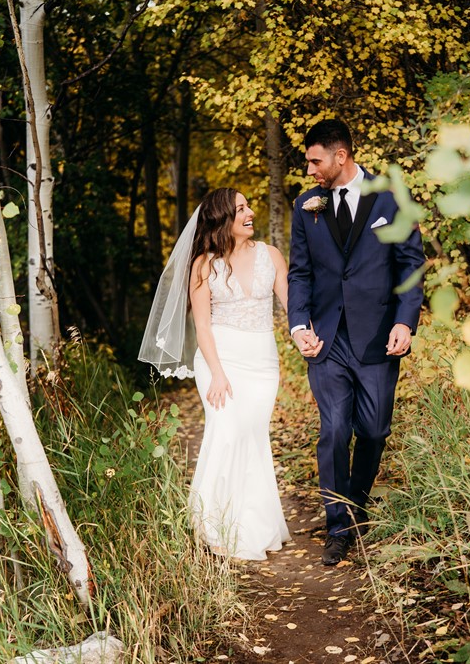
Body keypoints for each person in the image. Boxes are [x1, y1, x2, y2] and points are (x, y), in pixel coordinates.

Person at [287, 119, 425, 566]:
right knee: (333, 430)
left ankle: (357, 505)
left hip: (377, 337)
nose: (309, 169)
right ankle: (337, 527)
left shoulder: (390, 198)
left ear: (340, 156)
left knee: (374, 430)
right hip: (327, 340)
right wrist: (298, 326)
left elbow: (410, 264)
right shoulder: (305, 206)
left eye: (314, 160)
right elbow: (300, 273)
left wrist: (405, 323)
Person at [139, 188, 291, 560]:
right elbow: (203, 328)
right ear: (223, 219)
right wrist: (219, 374)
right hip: (219, 361)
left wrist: (308, 334)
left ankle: (255, 525)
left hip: (262, 364)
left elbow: (294, 306)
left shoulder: (270, 256)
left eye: (248, 206)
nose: (250, 212)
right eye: (240, 209)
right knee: (226, 434)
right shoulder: (204, 266)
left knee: (254, 437)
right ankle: (211, 526)